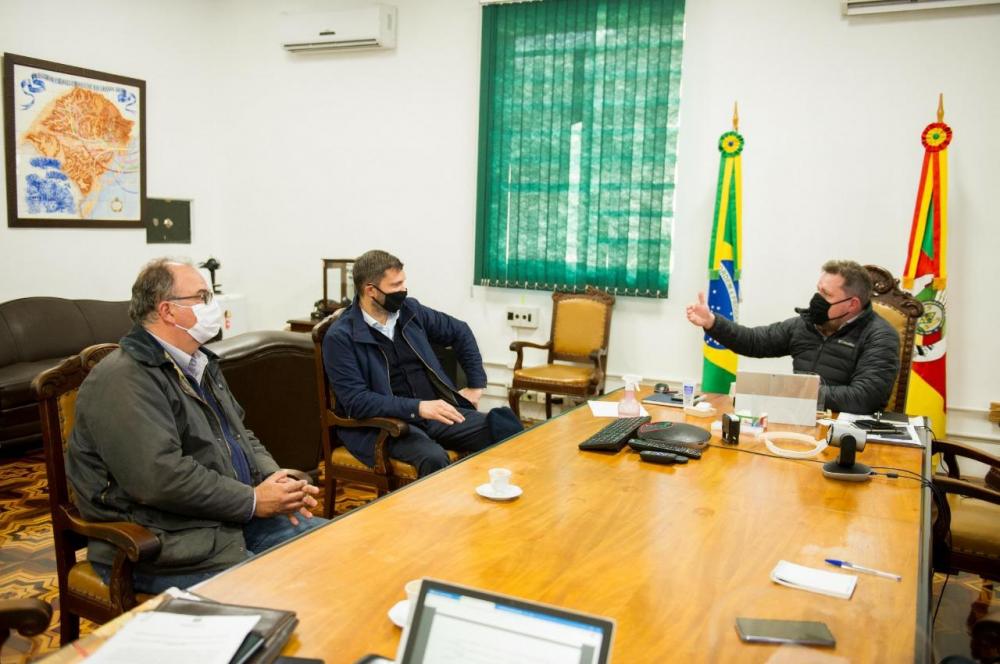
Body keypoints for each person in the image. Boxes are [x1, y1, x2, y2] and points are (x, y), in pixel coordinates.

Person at [67, 258, 324, 593]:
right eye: (202, 298)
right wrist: (252, 500)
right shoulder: (124, 379)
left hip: (224, 517)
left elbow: (240, 434)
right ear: (167, 311)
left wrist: (277, 483)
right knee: (283, 591)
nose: (212, 307)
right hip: (160, 542)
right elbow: (159, 478)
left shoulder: (200, 363)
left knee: (334, 551)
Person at [323, 250, 523, 476]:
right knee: (434, 458)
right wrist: (418, 408)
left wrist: (476, 386)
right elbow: (357, 402)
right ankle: (440, 511)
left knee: (506, 426)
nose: (403, 290)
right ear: (371, 290)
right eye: (396, 285)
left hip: (434, 413)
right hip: (383, 426)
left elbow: (460, 331)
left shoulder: (410, 310)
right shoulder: (341, 337)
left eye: (403, 282)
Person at [685, 259, 900, 414]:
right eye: (818, 290)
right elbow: (753, 342)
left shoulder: (881, 337)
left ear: (852, 304)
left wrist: (797, 391)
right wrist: (712, 322)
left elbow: (863, 398)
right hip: (797, 421)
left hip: (848, 433)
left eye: (827, 294)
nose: (817, 299)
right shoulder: (806, 324)